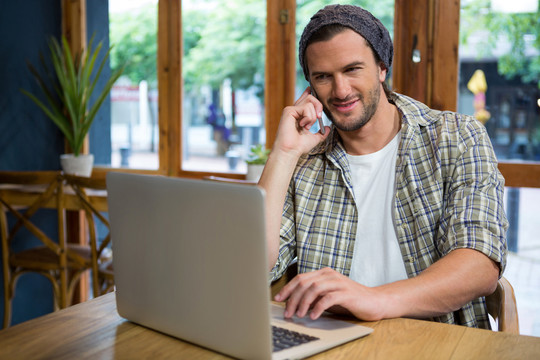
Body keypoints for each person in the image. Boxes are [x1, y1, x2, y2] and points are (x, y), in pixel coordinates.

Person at [258, 4, 508, 329]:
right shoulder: (305, 162)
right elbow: (254, 267)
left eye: (352, 69)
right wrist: (283, 153)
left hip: (438, 343)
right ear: (309, 87)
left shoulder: (457, 137)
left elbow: (479, 266)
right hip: (332, 346)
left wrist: (373, 300)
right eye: (323, 77)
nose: (341, 90)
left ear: (381, 67)